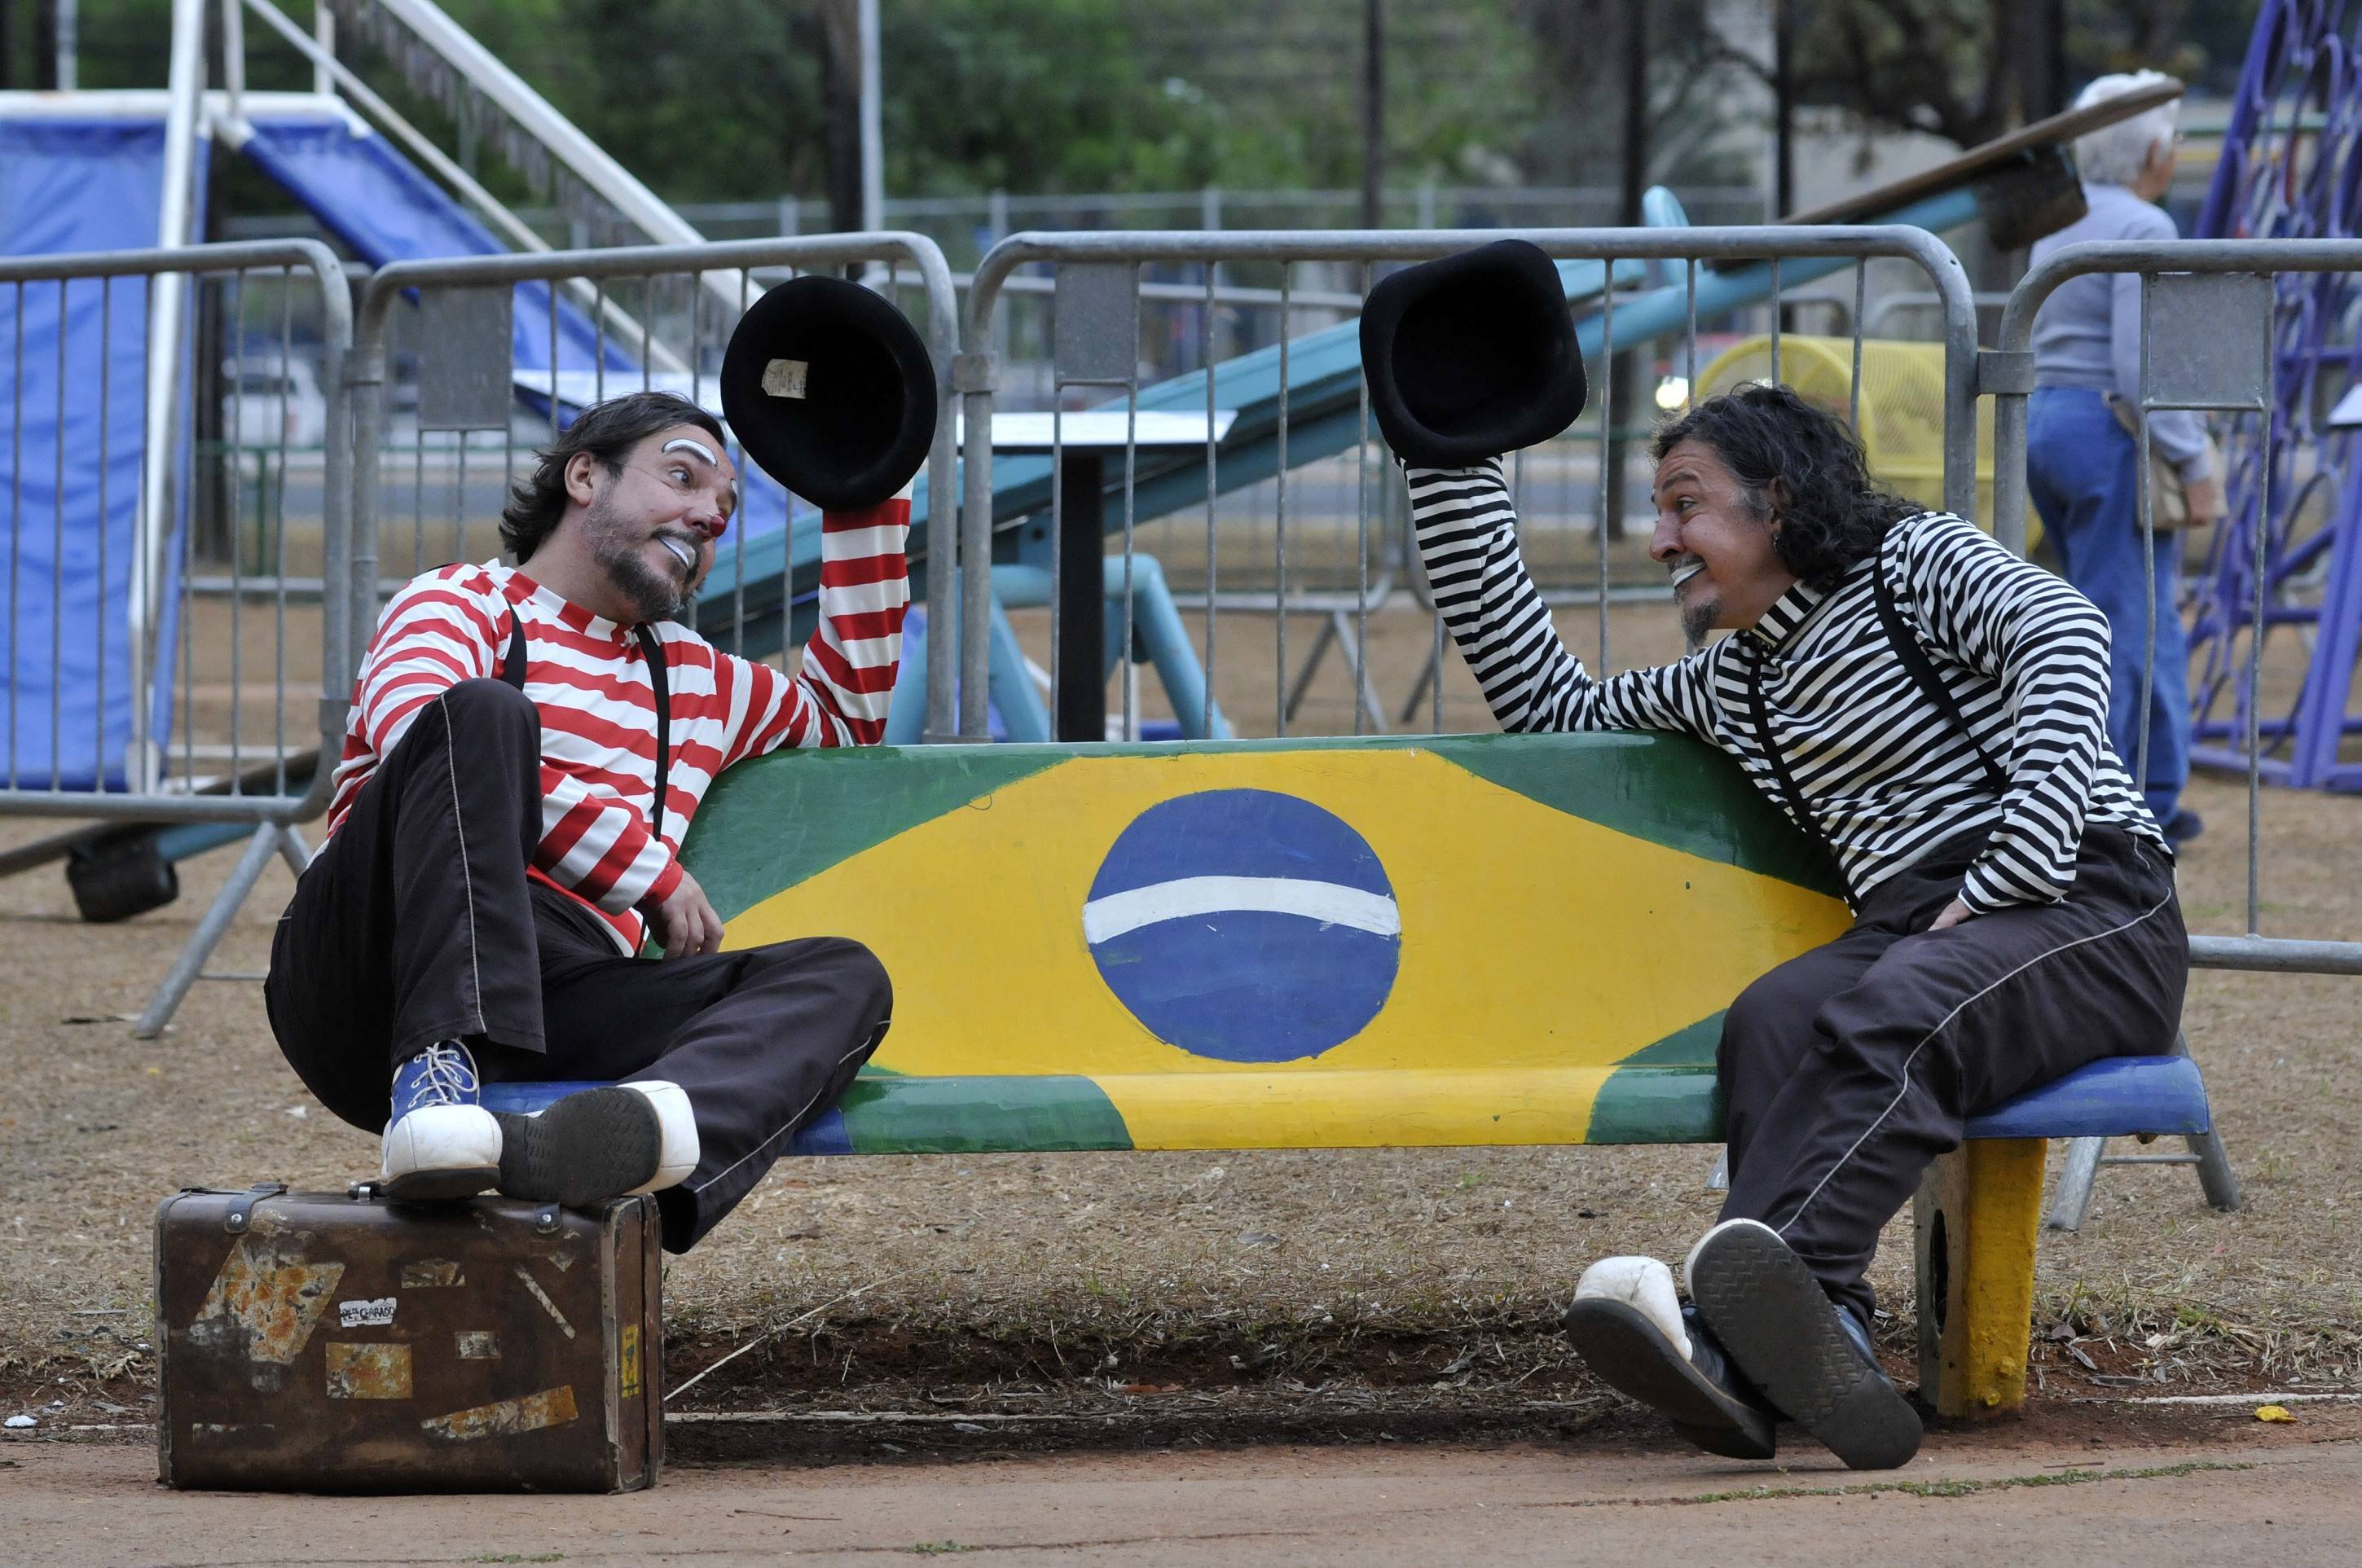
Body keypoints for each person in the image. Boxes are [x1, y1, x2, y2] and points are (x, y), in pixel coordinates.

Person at [1406, 384, 2186, 1470]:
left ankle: (1732, 1335)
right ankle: (1819, 1340)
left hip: (2086, 900)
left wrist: (2020, 854)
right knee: (1774, 1016)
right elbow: (1552, 706)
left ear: (1774, 501)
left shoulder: (1909, 565)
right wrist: (1449, 469)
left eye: (1685, 505)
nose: (1657, 540)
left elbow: (2062, 628)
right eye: (1655, 510)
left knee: (1892, 1011)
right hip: (1923, 923)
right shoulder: (1735, 677)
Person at [264, 389, 904, 1254]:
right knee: (481, 714)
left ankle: (636, 1132)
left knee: (843, 976)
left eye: (724, 508)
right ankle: (434, 1081)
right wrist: (645, 869)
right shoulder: (460, 602)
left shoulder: (697, 677)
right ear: (584, 476)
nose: (707, 514)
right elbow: (422, 724)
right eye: (681, 475)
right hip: (372, 960)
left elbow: (843, 716)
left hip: (548, 992)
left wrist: (868, 481)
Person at [2028, 70, 2220, 844]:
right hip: (2109, 431)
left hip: (2046, 420)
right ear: (2150, 149)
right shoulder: (2146, 228)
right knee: (2124, 624)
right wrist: (2195, 461)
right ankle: (2110, 805)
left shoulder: (2058, 223)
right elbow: (2145, 371)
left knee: (2118, 613)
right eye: (2172, 139)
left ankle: (2156, 789)